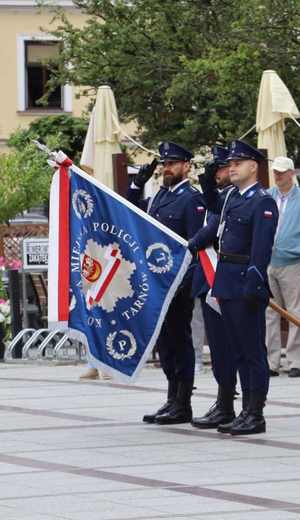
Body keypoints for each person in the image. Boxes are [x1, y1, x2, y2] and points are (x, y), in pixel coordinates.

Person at [196, 140, 278, 435]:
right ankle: (243, 411)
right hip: (226, 280)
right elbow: (212, 205)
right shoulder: (232, 196)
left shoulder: (263, 201)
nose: (231, 167)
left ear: (253, 167)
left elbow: (261, 248)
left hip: (245, 281)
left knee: (252, 350)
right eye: (229, 163)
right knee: (238, 351)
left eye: (237, 163)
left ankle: (255, 412)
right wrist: (207, 178)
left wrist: (254, 281)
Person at [128, 142, 206, 424]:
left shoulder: (192, 200)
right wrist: (137, 185)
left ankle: (183, 403)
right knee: (165, 343)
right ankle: (171, 397)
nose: (167, 169)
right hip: (158, 284)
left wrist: (186, 281)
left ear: (187, 166)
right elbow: (133, 214)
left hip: (178, 284)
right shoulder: (160, 196)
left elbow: (195, 245)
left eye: (173, 163)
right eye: (164, 164)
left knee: (179, 339)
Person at [189, 145, 237, 429]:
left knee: (227, 347)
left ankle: (229, 403)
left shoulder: (232, 199)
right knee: (218, 349)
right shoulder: (218, 197)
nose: (222, 173)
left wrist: (191, 244)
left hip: (224, 280)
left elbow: (212, 228)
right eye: (220, 168)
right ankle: (224, 401)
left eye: (220, 168)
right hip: (207, 280)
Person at [266, 156, 300, 378]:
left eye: (281, 172)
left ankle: (295, 360)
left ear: (292, 173)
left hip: (293, 261)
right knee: (269, 312)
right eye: (275, 172)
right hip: (268, 261)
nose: (277, 175)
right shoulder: (268, 195)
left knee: (294, 310)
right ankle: (272, 362)